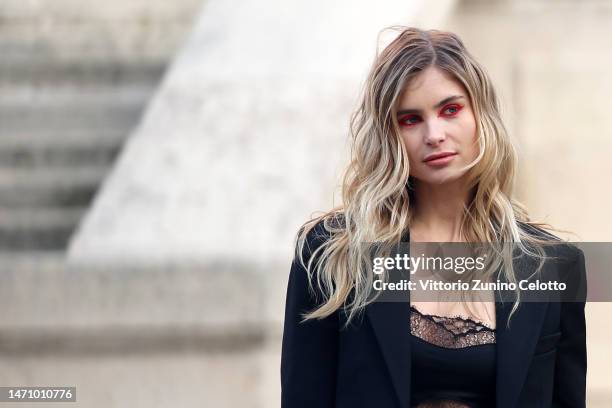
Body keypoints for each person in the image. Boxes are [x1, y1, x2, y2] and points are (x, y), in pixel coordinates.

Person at [280, 27, 587, 408]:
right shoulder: (330, 254)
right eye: (410, 119)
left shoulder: (555, 264)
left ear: (481, 115)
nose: (434, 134)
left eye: (451, 110)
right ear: (389, 134)